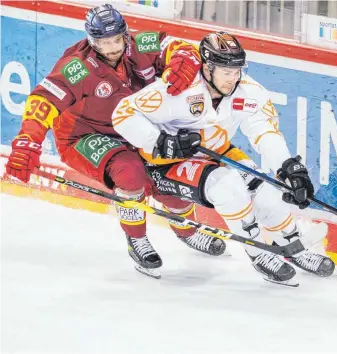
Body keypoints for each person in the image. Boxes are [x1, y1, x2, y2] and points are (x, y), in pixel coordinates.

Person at [4, 4, 226, 280]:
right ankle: (137, 240)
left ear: (125, 34)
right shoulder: (77, 66)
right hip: (85, 136)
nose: (111, 48)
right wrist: (28, 140)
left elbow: (176, 45)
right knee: (131, 174)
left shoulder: (139, 44)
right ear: (90, 40)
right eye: (102, 42)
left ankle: (187, 231)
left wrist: (185, 58)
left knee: (169, 177)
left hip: (136, 127)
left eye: (116, 40)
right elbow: (43, 100)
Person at [111, 31, 335, 286]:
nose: (233, 78)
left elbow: (264, 132)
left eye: (237, 71)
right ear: (207, 68)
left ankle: (294, 246)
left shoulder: (249, 93)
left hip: (216, 152)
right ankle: (258, 252)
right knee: (228, 187)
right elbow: (123, 114)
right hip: (167, 163)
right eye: (226, 72)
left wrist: (289, 168)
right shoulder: (178, 88)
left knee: (269, 193)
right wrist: (161, 141)